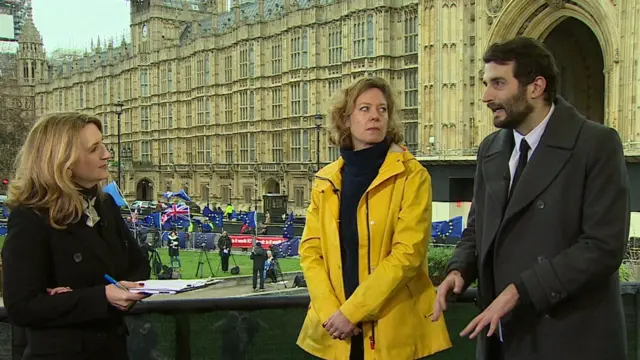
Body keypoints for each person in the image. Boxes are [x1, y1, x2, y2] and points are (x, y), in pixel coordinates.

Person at [432, 36, 630, 360]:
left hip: (569, 339)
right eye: (485, 83)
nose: (485, 96)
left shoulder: (596, 145)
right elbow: (478, 229)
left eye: (498, 83)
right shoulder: (490, 150)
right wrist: (459, 270)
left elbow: (603, 247)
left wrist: (520, 291)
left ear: (536, 87)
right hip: (503, 340)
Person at [297, 76, 451, 360]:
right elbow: (310, 251)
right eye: (365, 109)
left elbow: (408, 254)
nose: (375, 116)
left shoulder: (412, 175)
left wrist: (351, 313)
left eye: (382, 109)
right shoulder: (326, 179)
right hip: (334, 333)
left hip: (394, 332)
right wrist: (332, 312)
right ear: (346, 119)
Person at [2, 112, 150, 360]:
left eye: (104, 145)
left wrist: (119, 288)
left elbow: (138, 265)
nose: (107, 154)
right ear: (63, 161)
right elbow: (20, 307)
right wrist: (100, 296)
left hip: (112, 350)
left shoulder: (105, 205)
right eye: (95, 149)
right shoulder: (31, 217)